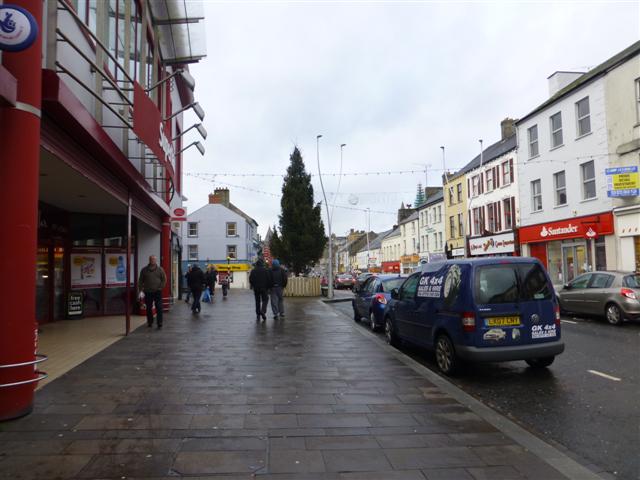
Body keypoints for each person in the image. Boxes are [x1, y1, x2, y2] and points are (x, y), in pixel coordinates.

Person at [138, 255, 167, 329]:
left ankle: (159, 322)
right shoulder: (144, 270)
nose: (152, 261)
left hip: (157, 291)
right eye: (151, 259)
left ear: (156, 260)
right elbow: (140, 280)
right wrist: (140, 290)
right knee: (148, 308)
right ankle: (150, 322)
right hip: (148, 291)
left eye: (154, 259)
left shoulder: (160, 269)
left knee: (159, 307)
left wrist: (160, 287)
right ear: (149, 260)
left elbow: (164, 279)